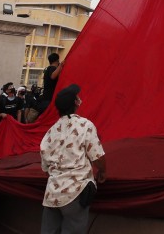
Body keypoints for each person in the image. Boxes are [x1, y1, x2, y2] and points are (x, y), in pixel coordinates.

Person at [39, 84, 106, 234]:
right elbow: (98, 156)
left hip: (52, 194)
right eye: (77, 97)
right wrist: (103, 171)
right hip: (76, 191)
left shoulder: (50, 132)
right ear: (75, 103)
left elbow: (45, 169)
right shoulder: (85, 126)